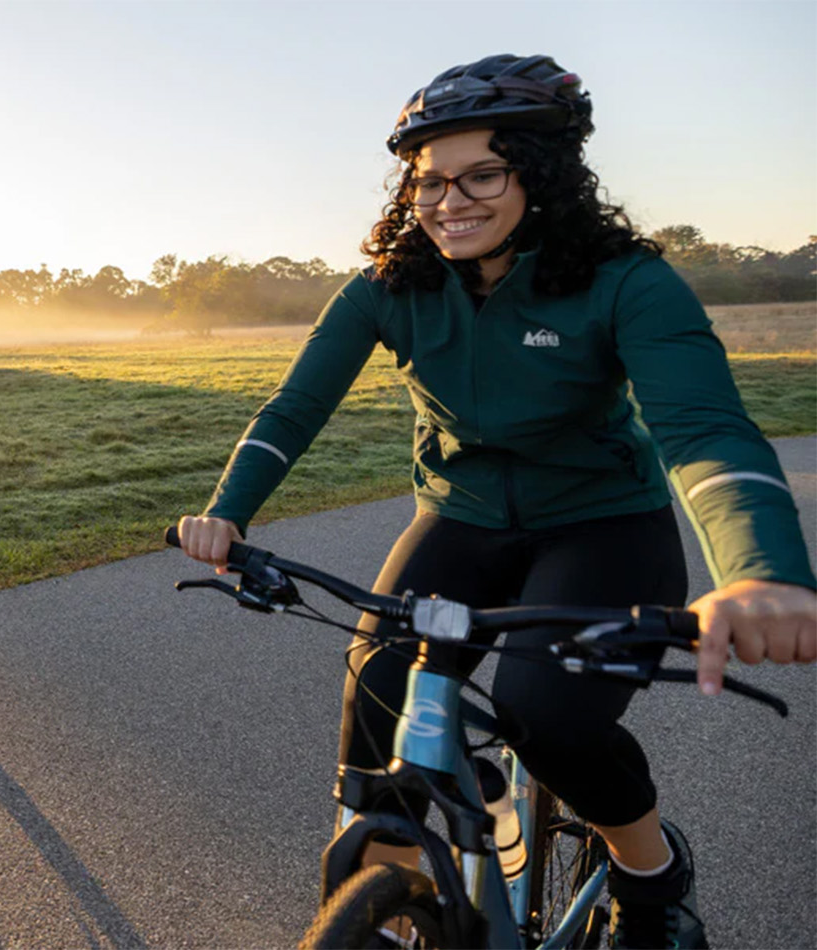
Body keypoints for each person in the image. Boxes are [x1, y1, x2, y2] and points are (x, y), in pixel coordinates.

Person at [173, 55, 817, 949]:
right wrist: (228, 511)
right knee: (376, 686)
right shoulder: (390, 287)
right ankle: (388, 910)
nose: (449, 201)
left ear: (541, 175)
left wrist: (761, 574)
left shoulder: (624, 279)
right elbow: (296, 406)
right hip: (462, 519)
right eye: (429, 182)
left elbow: (703, 430)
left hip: (601, 526)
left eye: (482, 174)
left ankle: (653, 879)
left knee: (544, 717)